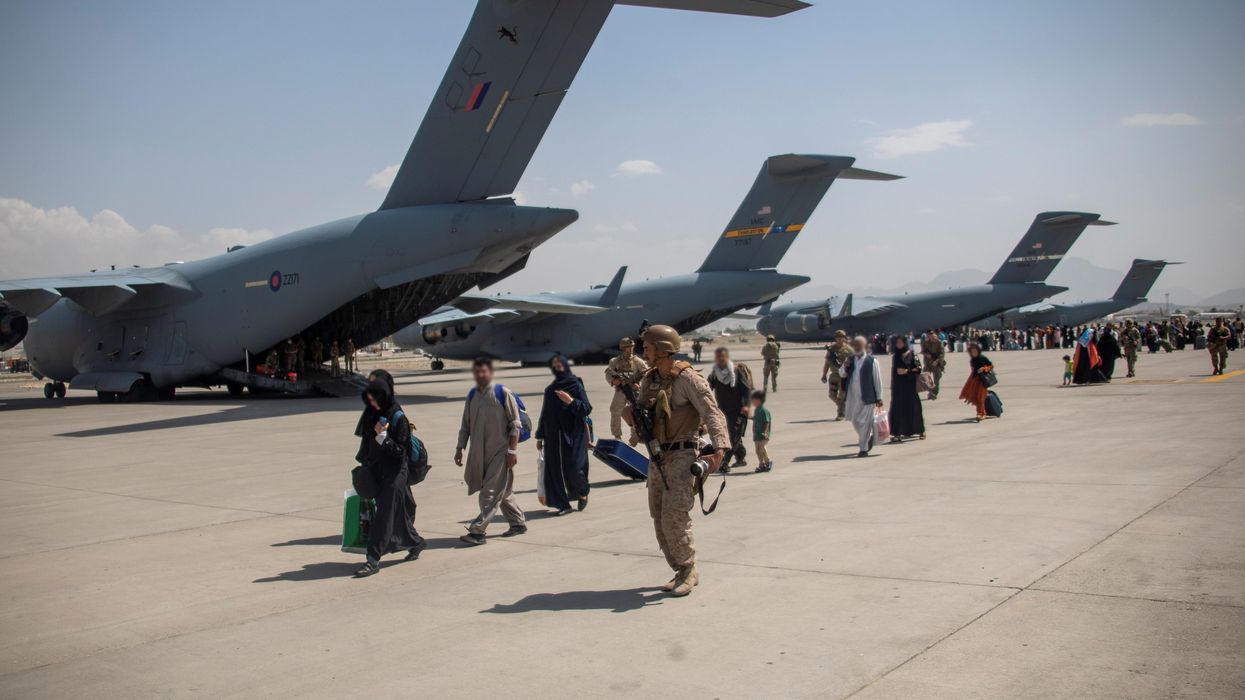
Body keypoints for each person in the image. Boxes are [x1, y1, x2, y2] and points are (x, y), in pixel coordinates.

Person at [626, 324, 728, 598]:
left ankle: (689, 568)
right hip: (658, 455)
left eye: (647, 348)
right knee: (658, 516)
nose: (643, 352)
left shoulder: (688, 379)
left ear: (662, 349)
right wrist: (633, 421)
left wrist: (719, 449)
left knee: (675, 514)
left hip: (683, 453)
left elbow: (712, 412)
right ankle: (679, 569)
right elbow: (645, 418)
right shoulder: (650, 380)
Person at [353, 377, 425, 577]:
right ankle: (416, 542)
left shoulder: (397, 417)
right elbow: (366, 446)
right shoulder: (371, 415)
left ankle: (372, 560)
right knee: (397, 515)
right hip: (376, 471)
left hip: (395, 474)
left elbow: (400, 453)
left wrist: (383, 438)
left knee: (384, 516)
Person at [455, 358, 525, 545]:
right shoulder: (472, 395)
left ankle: (478, 531)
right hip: (479, 453)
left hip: (501, 452)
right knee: (504, 491)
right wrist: (459, 447)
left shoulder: (502, 393)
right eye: (477, 372)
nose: (480, 375)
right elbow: (465, 425)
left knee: (490, 492)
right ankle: (518, 523)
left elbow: (515, 425)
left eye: (484, 371)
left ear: (490, 373)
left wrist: (512, 451)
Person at [535, 355, 593, 515]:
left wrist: (571, 401)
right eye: (555, 365)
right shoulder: (550, 390)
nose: (558, 366)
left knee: (575, 468)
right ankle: (563, 504)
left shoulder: (576, 385)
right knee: (555, 471)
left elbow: (587, 408)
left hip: (574, 434)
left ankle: (582, 492)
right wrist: (540, 435)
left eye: (560, 363)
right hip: (553, 436)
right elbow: (545, 413)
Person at [707, 347, 752, 471]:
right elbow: (707, 388)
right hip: (722, 411)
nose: (721, 359)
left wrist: (746, 406)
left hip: (738, 411)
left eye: (723, 356)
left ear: (727, 357)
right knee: (732, 436)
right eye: (718, 357)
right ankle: (741, 457)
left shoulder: (736, 372)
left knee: (732, 437)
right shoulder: (715, 374)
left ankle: (724, 463)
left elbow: (747, 391)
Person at [840, 335, 884, 457]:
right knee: (854, 421)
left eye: (859, 345)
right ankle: (868, 437)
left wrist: (879, 397)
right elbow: (841, 373)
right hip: (853, 397)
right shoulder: (850, 360)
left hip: (867, 397)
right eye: (855, 345)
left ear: (865, 346)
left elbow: (877, 380)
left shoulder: (872, 361)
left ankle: (863, 449)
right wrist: (845, 366)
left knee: (864, 423)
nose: (857, 347)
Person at [604, 338, 648, 445]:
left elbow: (646, 374)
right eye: (628, 347)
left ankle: (635, 436)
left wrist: (639, 385)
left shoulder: (638, 361)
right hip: (621, 390)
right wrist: (613, 381)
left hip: (633, 391)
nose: (631, 348)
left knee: (636, 412)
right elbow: (608, 373)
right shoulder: (615, 361)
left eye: (632, 346)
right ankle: (617, 436)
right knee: (614, 410)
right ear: (623, 348)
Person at [888, 336, 925, 442]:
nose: (899, 344)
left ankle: (920, 431)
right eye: (897, 343)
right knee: (897, 410)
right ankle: (897, 433)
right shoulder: (895, 356)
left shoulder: (911, 353)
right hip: (898, 387)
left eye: (901, 342)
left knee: (914, 408)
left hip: (910, 386)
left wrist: (907, 371)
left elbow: (919, 368)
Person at [821, 330, 852, 420]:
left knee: (842, 396)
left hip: (844, 376)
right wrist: (824, 375)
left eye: (841, 337)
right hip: (834, 375)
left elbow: (854, 363)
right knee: (831, 395)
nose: (839, 339)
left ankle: (840, 414)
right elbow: (826, 363)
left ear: (844, 338)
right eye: (837, 337)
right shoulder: (831, 350)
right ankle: (843, 407)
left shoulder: (849, 350)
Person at [959, 343, 993, 421]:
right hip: (974, 380)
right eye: (972, 351)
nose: (974, 352)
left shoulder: (983, 358)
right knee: (975, 397)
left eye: (975, 351)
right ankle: (980, 413)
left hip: (983, 381)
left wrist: (984, 369)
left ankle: (981, 413)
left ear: (978, 351)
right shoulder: (972, 360)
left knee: (980, 398)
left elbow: (991, 366)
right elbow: (973, 370)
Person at [750, 390, 772, 473]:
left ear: (759, 400)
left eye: (753, 400)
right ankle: (761, 464)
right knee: (758, 450)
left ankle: (768, 461)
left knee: (763, 449)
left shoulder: (764, 411)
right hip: (757, 435)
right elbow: (755, 419)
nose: (752, 402)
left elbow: (767, 422)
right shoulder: (756, 410)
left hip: (763, 435)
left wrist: (766, 432)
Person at [921, 329, 946, 400]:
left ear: (935, 335)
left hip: (936, 363)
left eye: (932, 334)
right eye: (930, 335)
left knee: (936, 379)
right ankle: (930, 391)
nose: (931, 336)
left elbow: (942, 354)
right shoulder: (925, 342)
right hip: (928, 363)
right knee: (925, 378)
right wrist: (926, 354)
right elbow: (923, 351)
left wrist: (937, 361)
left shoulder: (939, 342)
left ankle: (934, 393)